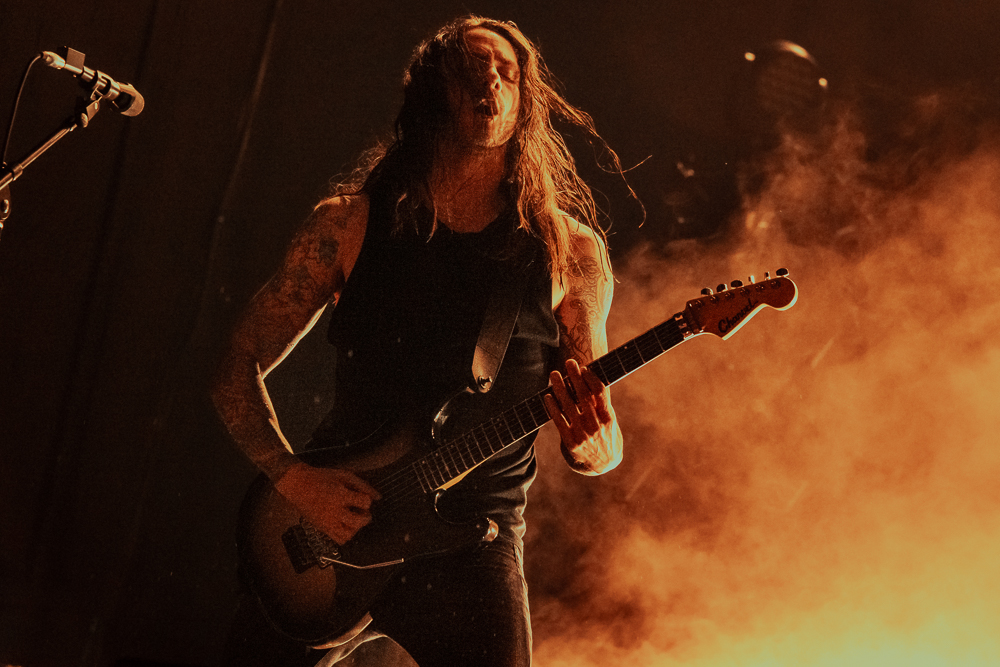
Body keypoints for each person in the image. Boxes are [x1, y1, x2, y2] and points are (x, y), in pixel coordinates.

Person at [212, 15, 624, 667]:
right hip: (335, 523)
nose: (491, 83)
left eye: (507, 73)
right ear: (433, 91)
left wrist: (592, 444)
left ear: (525, 104)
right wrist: (294, 479)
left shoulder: (567, 251)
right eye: (472, 70)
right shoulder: (349, 224)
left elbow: (602, 442)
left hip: (474, 543)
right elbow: (234, 366)